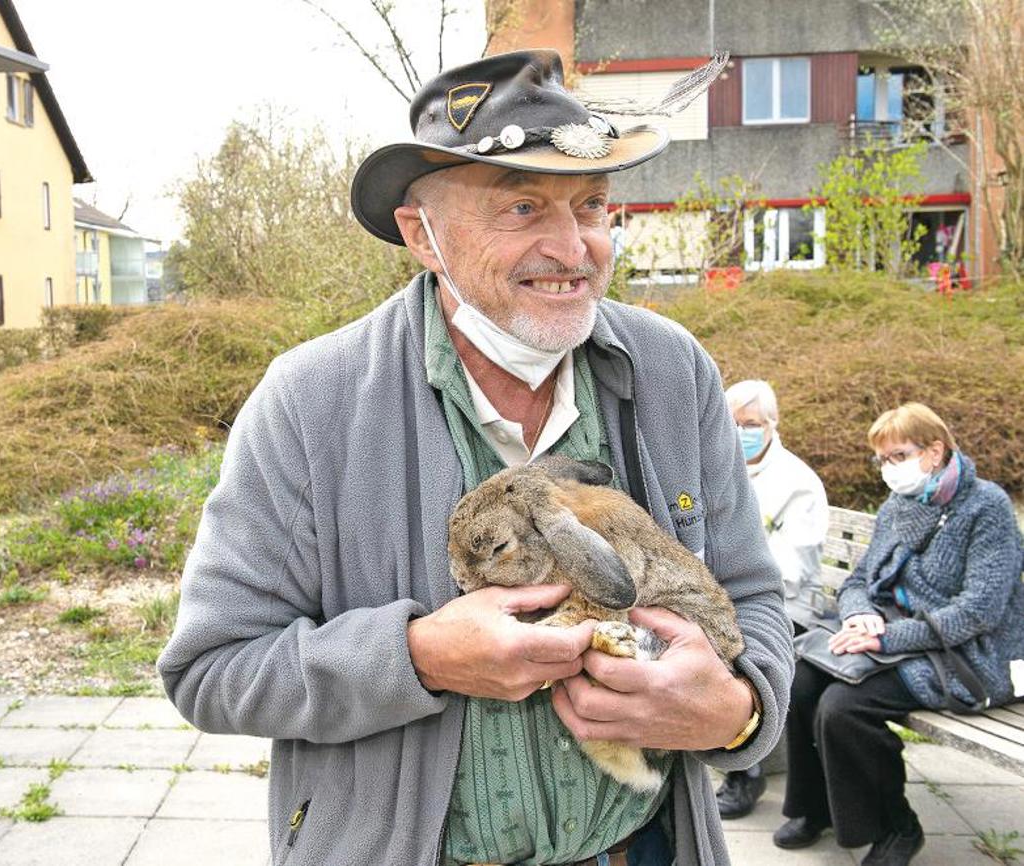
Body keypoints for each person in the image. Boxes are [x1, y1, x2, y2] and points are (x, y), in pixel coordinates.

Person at [159, 49, 793, 866]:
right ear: (422, 235)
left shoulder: (670, 370)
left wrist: (736, 715)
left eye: (592, 206)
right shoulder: (310, 402)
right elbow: (212, 670)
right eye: (523, 207)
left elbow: (752, 595)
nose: (575, 248)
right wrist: (418, 657)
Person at [774, 402, 1024, 866]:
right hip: (895, 635)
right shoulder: (899, 504)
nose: (890, 469)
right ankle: (817, 808)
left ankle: (897, 827)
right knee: (801, 680)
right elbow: (857, 582)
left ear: (935, 451)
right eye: (883, 459)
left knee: (843, 708)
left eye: (899, 456)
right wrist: (858, 617)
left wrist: (887, 638)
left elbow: (979, 612)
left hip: (965, 652)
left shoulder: (985, 506)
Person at [715, 380, 829, 819]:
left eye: (751, 424)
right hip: (725, 596)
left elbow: (792, 571)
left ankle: (746, 772)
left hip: (786, 606)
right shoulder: (719, 467)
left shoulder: (797, 481)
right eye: (733, 423)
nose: (741, 431)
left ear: (772, 425)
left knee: (735, 648)